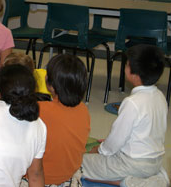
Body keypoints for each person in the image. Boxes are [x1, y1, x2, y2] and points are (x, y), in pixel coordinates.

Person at [82, 44, 169, 187]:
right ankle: (153, 176)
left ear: (133, 74)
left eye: (127, 64)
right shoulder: (160, 96)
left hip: (131, 164)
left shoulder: (132, 103)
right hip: (155, 162)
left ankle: (130, 182)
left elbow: (113, 143)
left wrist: (97, 149)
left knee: (78, 164)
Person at [38, 54, 90, 186]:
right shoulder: (83, 110)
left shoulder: (39, 110)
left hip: (39, 180)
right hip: (68, 177)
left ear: (50, 84)